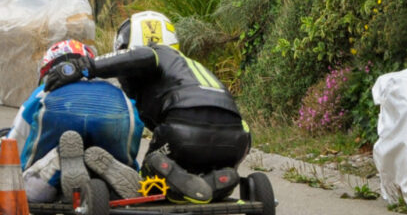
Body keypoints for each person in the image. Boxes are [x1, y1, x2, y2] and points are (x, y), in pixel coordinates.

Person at [44, 11, 252, 204]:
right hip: (236, 141)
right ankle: (216, 179)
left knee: (150, 178)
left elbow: (142, 56)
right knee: (195, 181)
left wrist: (83, 67)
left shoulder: (155, 53)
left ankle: (158, 173)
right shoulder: (193, 68)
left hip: (183, 132)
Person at [0, 39, 145, 202]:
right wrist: (132, 165)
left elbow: (17, 140)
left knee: (15, 181)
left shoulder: (43, 91)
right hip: (118, 110)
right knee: (120, 157)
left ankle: (57, 161)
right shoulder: (116, 91)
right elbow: (136, 126)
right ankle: (117, 171)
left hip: (58, 110)